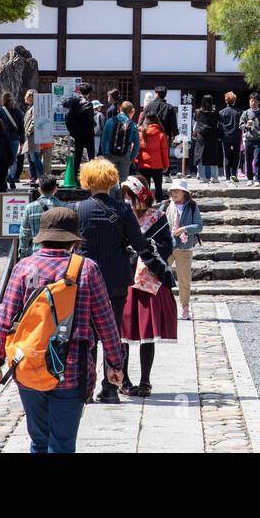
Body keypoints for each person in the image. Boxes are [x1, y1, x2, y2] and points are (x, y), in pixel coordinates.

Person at [0, 206, 125, 453]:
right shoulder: (87, 269)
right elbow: (106, 322)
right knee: (62, 444)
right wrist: (114, 365)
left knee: (39, 441)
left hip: (28, 365)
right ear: (73, 240)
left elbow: (5, 318)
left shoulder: (24, 267)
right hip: (71, 370)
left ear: (42, 237)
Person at [73, 159, 173, 403]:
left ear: (86, 180)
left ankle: (85, 389)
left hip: (86, 278)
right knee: (112, 333)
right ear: (112, 180)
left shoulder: (78, 208)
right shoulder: (123, 209)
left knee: (87, 335)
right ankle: (109, 388)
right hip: (117, 278)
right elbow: (140, 246)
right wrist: (159, 267)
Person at [120, 174, 178, 396]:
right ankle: (123, 378)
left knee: (147, 333)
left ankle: (145, 380)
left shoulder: (158, 217)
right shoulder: (122, 216)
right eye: (124, 196)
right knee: (122, 333)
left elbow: (166, 245)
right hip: (125, 277)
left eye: (130, 196)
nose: (127, 201)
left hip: (148, 278)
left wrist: (144, 247)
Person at [164, 178, 203, 320]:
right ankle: (161, 306)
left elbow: (199, 226)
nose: (174, 193)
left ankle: (185, 308)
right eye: (172, 191)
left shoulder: (192, 206)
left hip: (185, 248)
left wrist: (184, 229)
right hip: (168, 246)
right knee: (159, 275)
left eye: (177, 191)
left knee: (184, 280)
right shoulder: (168, 205)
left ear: (184, 193)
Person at [18, 174, 64, 258]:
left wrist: (22, 255)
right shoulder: (64, 206)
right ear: (56, 189)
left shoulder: (30, 208)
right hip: (60, 255)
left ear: (39, 190)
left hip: (36, 253)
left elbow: (24, 234)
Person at [102, 100, 139, 182]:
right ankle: (121, 195)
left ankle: (111, 195)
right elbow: (136, 144)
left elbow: (103, 140)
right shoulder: (132, 124)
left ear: (120, 109)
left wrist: (105, 154)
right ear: (131, 111)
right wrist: (131, 158)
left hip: (110, 154)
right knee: (123, 182)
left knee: (111, 181)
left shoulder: (110, 121)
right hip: (125, 155)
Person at [135, 116, 169, 201]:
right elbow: (164, 151)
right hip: (158, 164)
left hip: (143, 164)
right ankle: (159, 204)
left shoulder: (141, 132)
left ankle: (146, 206)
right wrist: (166, 165)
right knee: (158, 186)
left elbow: (136, 148)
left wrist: (136, 161)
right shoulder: (161, 133)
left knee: (145, 188)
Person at [63, 83, 97, 164]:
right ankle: (91, 174)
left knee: (78, 155)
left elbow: (64, 103)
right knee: (91, 155)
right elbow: (90, 120)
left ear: (79, 91)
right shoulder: (88, 104)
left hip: (76, 132)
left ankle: (74, 174)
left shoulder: (73, 101)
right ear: (89, 93)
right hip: (88, 133)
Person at [241, 93, 260, 185]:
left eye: (255, 101)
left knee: (258, 160)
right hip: (248, 140)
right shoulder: (246, 113)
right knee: (248, 160)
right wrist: (246, 125)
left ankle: (257, 179)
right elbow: (240, 125)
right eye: (251, 101)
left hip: (258, 140)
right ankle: (250, 179)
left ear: (258, 102)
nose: (253, 103)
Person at [192, 94, 223, 183]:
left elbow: (196, 120)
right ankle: (214, 177)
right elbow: (222, 120)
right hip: (212, 137)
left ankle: (202, 177)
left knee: (201, 156)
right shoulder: (214, 112)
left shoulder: (197, 111)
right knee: (213, 157)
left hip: (201, 137)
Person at [0, 92, 26, 187]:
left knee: (4, 158)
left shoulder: (0, 111)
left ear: (3, 100)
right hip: (15, 138)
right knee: (13, 159)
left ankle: (5, 177)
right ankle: (12, 177)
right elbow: (21, 127)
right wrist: (22, 141)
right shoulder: (18, 111)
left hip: (3, 138)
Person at [219, 91, 241, 184]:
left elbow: (219, 126)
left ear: (226, 100)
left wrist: (220, 136)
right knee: (236, 156)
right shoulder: (239, 112)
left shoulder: (221, 112)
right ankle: (234, 174)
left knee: (227, 156)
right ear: (234, 100)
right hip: (236, 136)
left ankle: (227, 177)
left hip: (225, 136)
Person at [23, 90, 44, 186]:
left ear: (32, 97)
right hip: (29, 137)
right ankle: (33, 177)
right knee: (30, 158)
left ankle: (41, 177)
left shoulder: (35, 108)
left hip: (32, 136)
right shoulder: (30, 107)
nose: (25, 97)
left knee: (35, 157)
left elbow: (34, 121)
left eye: (27, 95)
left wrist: (28, 131)